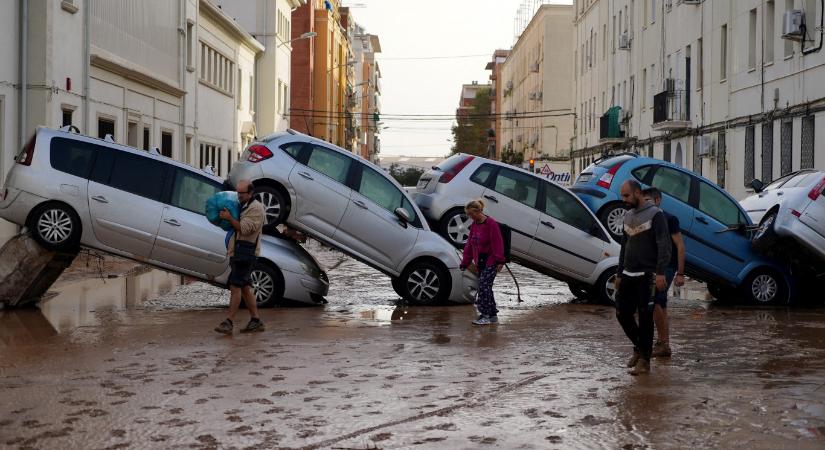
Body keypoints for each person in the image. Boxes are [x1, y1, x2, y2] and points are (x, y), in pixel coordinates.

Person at [614, 180, 671, 375]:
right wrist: (619, 273)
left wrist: (661, 273)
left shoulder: (656, 215)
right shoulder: (628, 216)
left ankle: (645, 361)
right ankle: (640, 347)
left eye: (626, 196)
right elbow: (624, 246)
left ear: (637, 193)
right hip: (628, 274)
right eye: (622, 196)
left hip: (648, 275)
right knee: (622, 313)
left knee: (646, 317)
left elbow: (664, 245)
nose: (624, 200)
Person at [214, 180, 266, 334]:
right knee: (245, 288)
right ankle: (256, 321)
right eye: (238, 193)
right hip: (238, 252)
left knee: (235, 286)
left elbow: (245, 229)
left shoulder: (256, 209)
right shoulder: (243, 205)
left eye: (242, 193)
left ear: (250, 193)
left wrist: (230, 218)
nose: (239, 196)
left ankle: (228, 322)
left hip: (246, 254)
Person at [642, 187, 686, 358]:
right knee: (661, 305)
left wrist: (680, 273)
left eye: (648, 201)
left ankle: (662, 343)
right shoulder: (646, 218)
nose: (645, 204)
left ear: (658, 200)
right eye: (643, 201)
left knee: (655, 303)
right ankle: (663, 343)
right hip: (653, 266)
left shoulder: (669, 219)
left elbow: (680, 246)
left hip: (667, 266)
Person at [460, 199, 505, 325]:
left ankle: (484, 315)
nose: (470, 217)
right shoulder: (474, 224)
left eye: (471, 214)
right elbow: (469, 244)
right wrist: (465, 262)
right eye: (468, 215)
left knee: (484, 287)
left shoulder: (491, 224)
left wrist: (500, 261)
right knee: (487, 288)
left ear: (479, 211)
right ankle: (492, 315)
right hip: (480, 262)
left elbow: (498, 243)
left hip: (491, 261)